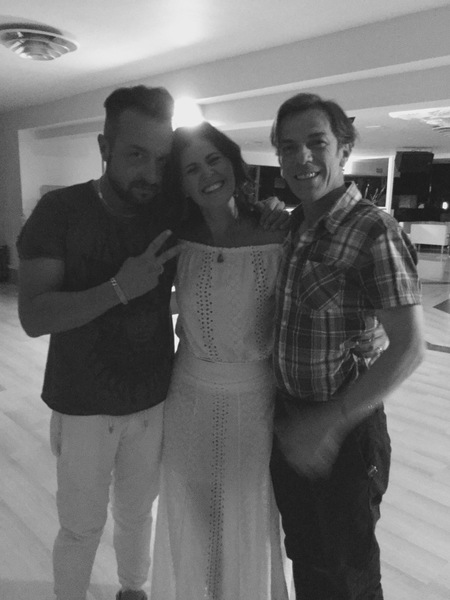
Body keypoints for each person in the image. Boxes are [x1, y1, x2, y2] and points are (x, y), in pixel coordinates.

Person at [17, 85, 181, 600]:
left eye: (161, 159)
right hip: (83, 404)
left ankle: (133, 591)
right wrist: (118, 288)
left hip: (152, 400)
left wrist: (267, 213)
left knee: (138, 514)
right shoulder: (60, 210)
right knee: (81, 527)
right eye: (136, 155)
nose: (151, 174)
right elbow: (33, 316)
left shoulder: (169, 212)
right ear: (104, 147)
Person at [269, 92, 426, 599]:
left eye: (317, 142)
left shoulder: (373, 229)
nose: (302, 157)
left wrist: (328, 423)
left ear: (344, 149)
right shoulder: (291, 227)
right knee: (307, 558)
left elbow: (409, 348)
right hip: (290, 423)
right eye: (288, 147)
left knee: (349, 575)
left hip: (348, 432)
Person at [150, 122, 290, 600]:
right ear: (182, 185)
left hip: (253, 399)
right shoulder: (178, 240)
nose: (207, 174)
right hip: (187, 395)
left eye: (214, 160)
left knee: (246, 511)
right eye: (192, 169)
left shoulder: (276, 232)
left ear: (233, 163)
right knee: (193, 510)